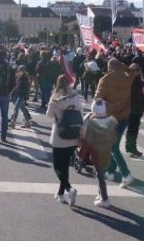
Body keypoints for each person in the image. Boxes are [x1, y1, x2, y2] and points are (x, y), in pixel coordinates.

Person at [95, 58, 135, 185]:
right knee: (114, 145)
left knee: (113, 147)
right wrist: (122, 65)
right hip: (124, 115)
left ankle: (126, 174)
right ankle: (110, 172)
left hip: (110, 116)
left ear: (109, 67)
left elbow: (98, 98)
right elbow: (132, 71)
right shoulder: (127, 77)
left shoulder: (105, 80)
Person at [46, 75, 80, 207]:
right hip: (72, 134)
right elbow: (81, 113)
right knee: (65, 165)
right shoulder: (75, 97)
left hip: (60, 135)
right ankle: (61, 194)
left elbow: (49, 115)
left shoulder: (55, 98)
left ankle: (69, 189)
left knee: (57, 166)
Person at [79, 99, 117, 208]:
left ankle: (105, 199)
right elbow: (114, 138)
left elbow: (86, 142)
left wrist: (81, 155)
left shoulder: (91, 123)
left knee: (100, 176)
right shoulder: (110, 121)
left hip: (96, 154)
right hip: (106, 151)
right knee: (99, 173)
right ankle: (101, 195)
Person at [125, 63, 144, 158]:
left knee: (135, 129)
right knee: (131, 128)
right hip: (130, 108)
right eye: (132, 70)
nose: (135, 72)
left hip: (138, 108)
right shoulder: (127, 81)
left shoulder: (141, 82)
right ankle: (130, 148)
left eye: (136, 70)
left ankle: (132, 147)